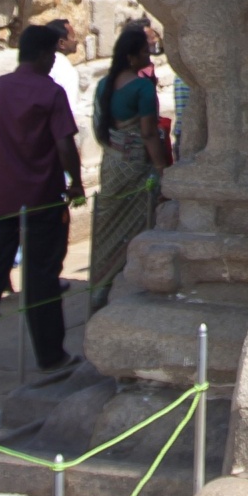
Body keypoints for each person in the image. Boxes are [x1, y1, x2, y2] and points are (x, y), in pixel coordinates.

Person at [0, 24, 85, 386]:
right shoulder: (49, 91)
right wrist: (75, 183)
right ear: (46, 55)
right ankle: (50, 356)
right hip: (40, 201)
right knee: (41, 278)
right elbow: (64, 146)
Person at [88, 18, 171, 312]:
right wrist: (162, 170)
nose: (149, 58)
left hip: (112, 163)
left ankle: (100, 285)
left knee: (109, 223)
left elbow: (100, 126)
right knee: (138, 221)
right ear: (131, 56)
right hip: (136, 166)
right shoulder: (142, 89)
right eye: (144, 53)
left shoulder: (103, 86)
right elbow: (149, 133)